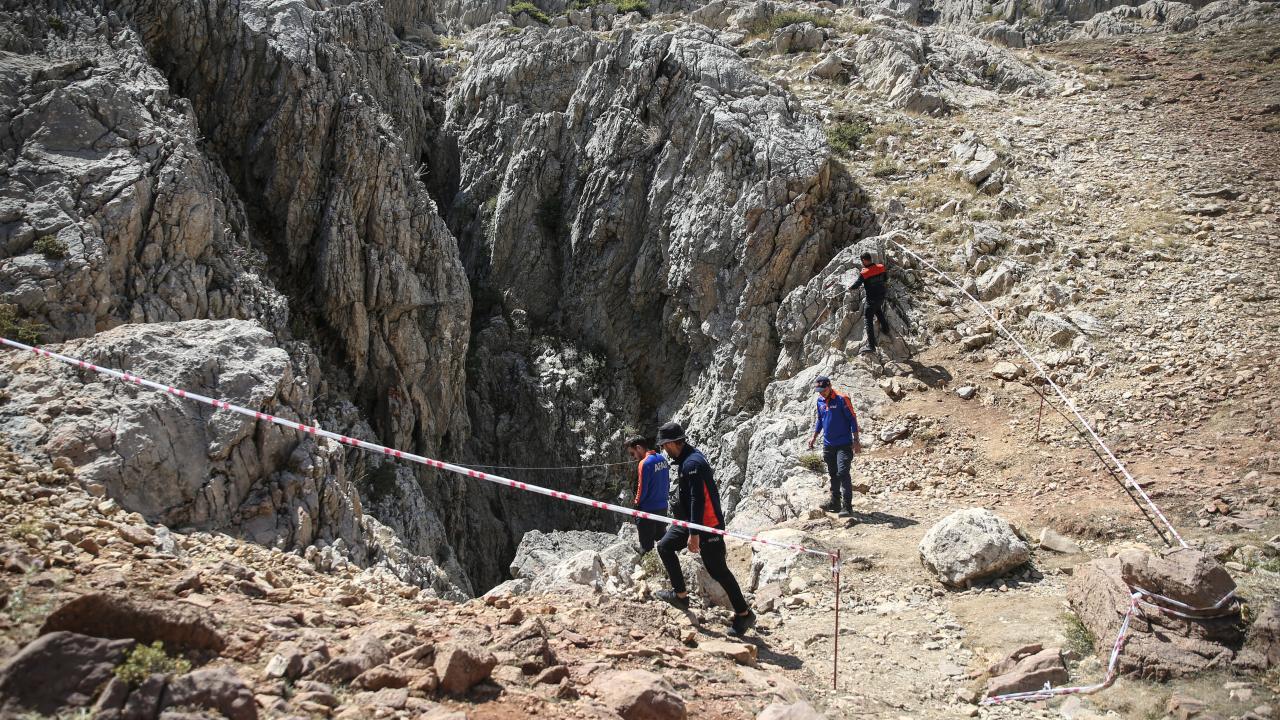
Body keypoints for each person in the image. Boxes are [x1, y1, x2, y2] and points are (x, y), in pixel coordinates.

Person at [652, 422, 756, 636]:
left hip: (706, 526)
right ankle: (680, 596)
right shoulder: (685, 459)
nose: (664, 450)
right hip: (690, 522)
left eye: (665, 445)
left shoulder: (692, 464)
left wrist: (694, 534)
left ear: (674, 443)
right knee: (664, 546)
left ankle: (744, 614)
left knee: (718, 570)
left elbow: (697, 499)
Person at [807, 375, 860, 517]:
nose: (821, 393)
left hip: (844, 443)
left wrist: (856, 440)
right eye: (819, 391)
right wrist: (814, 437)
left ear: (830, 386)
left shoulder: (842, 399)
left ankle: (847, 507)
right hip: (828, 444)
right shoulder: (820, 401)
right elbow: (820, 419)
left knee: (843, 473)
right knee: (833, 474)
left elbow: (852, 419)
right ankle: (835, 502)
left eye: (823, 390)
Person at [625, 435, 670, 553]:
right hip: (663, 508)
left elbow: (641, 488)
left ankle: (648, 569)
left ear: (639, 448)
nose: (633, 457)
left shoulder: (643, 463)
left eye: (632, 453)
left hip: (647, 510)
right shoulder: (662, 459)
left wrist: (636, 504)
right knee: (662, 542)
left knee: (646, 547)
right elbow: (667, 482)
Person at [851, 252, 890, 354]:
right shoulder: (881, 267)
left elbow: (857, 284)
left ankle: (871, 346)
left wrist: (850, 288)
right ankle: (886, 329)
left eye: (862, 261)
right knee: (878, 310)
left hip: (871, 300)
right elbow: (886, 279)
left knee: (868, 320)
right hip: (881, 297)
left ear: (864, 260)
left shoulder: (865, 273)